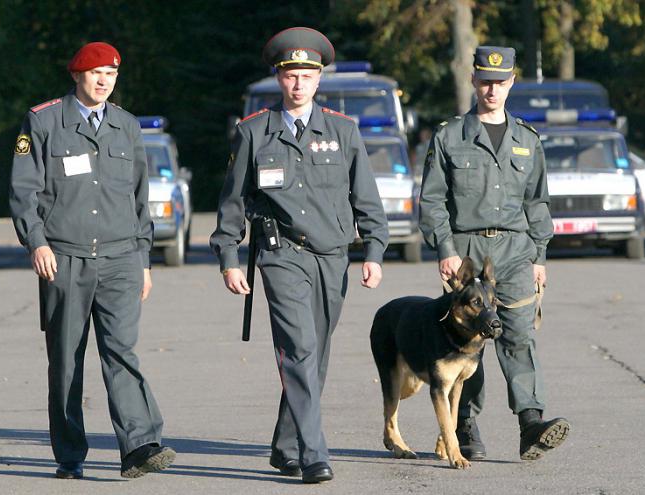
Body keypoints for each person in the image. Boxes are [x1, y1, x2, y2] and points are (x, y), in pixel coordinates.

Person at [210, 27, 389, 483]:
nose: (297, 83)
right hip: (282, 255)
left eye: (307, 75)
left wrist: (374, 250)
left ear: (319, 79)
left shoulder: (343, 131)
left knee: (318, 354)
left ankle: (286, 443)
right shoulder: (253, 133)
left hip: (332, 257)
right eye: (290, 75)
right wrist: (229, 257)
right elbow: (232, 202)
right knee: (299, 350)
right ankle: (313, 453)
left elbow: (366, 198)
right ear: (278, 77)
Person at [9, 41, 175, 480]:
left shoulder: (126, 125)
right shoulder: (44, 121)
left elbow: (140, 199)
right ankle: (69, 453)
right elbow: (23, 193)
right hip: (64, 258)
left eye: (112, 74)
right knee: (66, 359)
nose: (104, 81)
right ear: (77, 75)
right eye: (96, 72)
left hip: (121, 257)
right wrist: (37, 243)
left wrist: (144, 258)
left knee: (121, 351)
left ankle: (140, 445)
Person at [419, 46, 570, 461]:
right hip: (467, 252)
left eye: (500, 82)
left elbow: (538, 202)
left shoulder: (527, 139)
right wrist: (445, 249)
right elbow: (432, 201)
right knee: (468, 341)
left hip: (515, 250)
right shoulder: (450, 136)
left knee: (518, 336)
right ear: (473, 81)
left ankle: (531, 424)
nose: (492, 89)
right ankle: (464, 426)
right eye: (485, 80)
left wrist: (539, 256)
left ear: (511, 84)